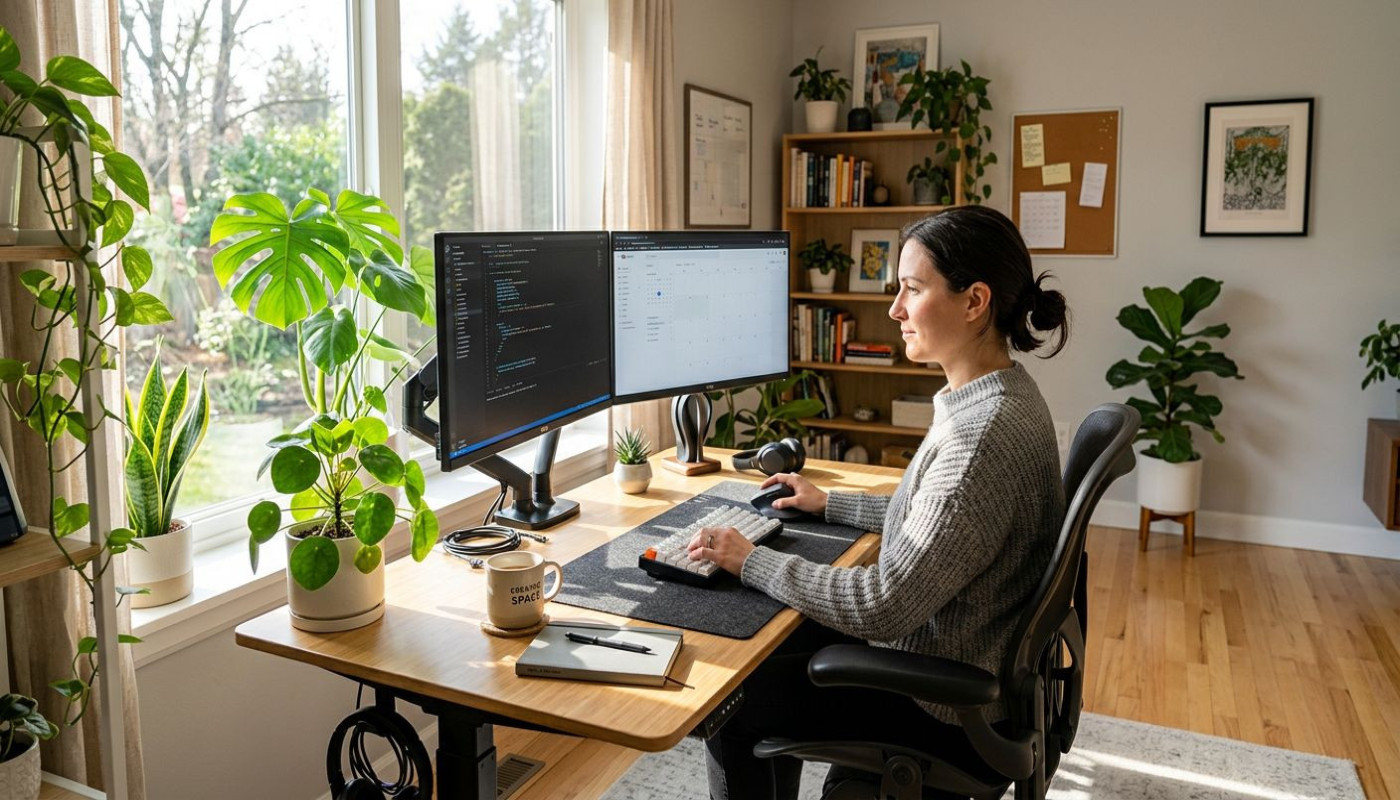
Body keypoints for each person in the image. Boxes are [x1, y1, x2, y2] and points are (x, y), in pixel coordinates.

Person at [687, 204, 1071, 800]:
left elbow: (883, 606)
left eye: (912, 290)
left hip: (944, 706)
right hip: (964, 664)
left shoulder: (981, 439)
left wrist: (749, 559)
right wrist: (831, 504)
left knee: (732, 696)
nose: (894, 309)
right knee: (767, 642)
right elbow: (943, 523)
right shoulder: (999, 393)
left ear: (974, 302)